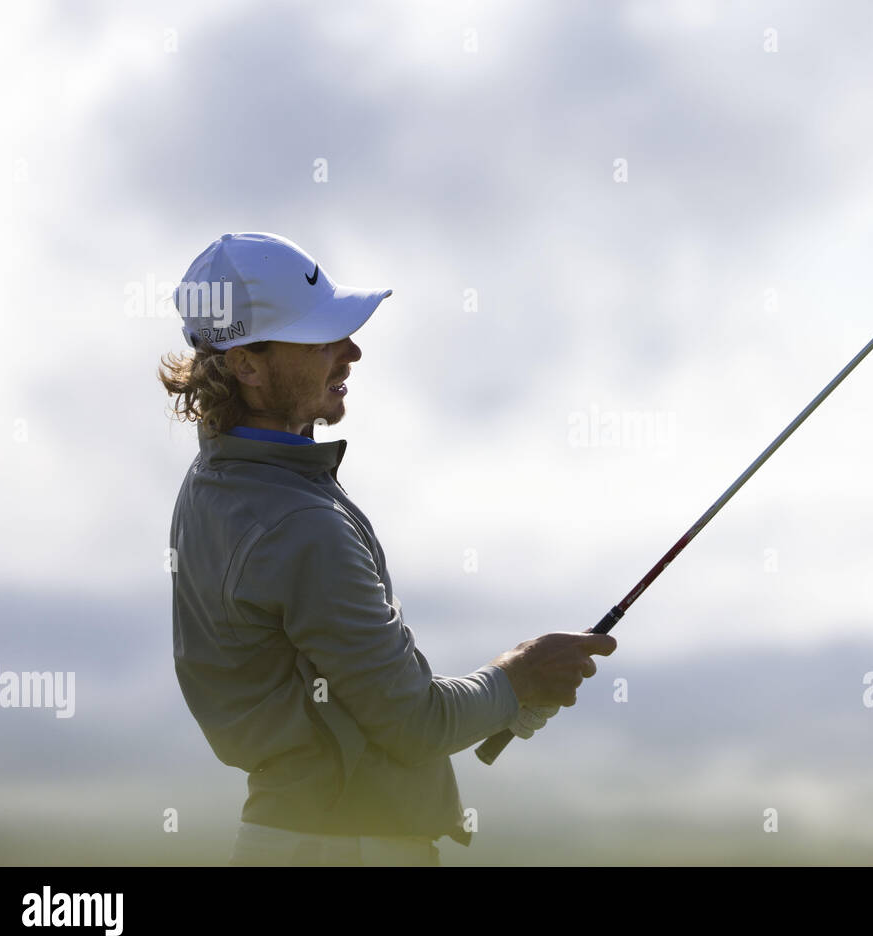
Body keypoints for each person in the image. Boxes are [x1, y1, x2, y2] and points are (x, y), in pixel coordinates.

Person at [159, 233, 615, 866]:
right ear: (249, 366)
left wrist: (506, 699)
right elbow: (416, 724)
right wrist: (521, 675)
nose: (351, 351)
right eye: (322, 339)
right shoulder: (301, 525)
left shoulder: (214, 484)